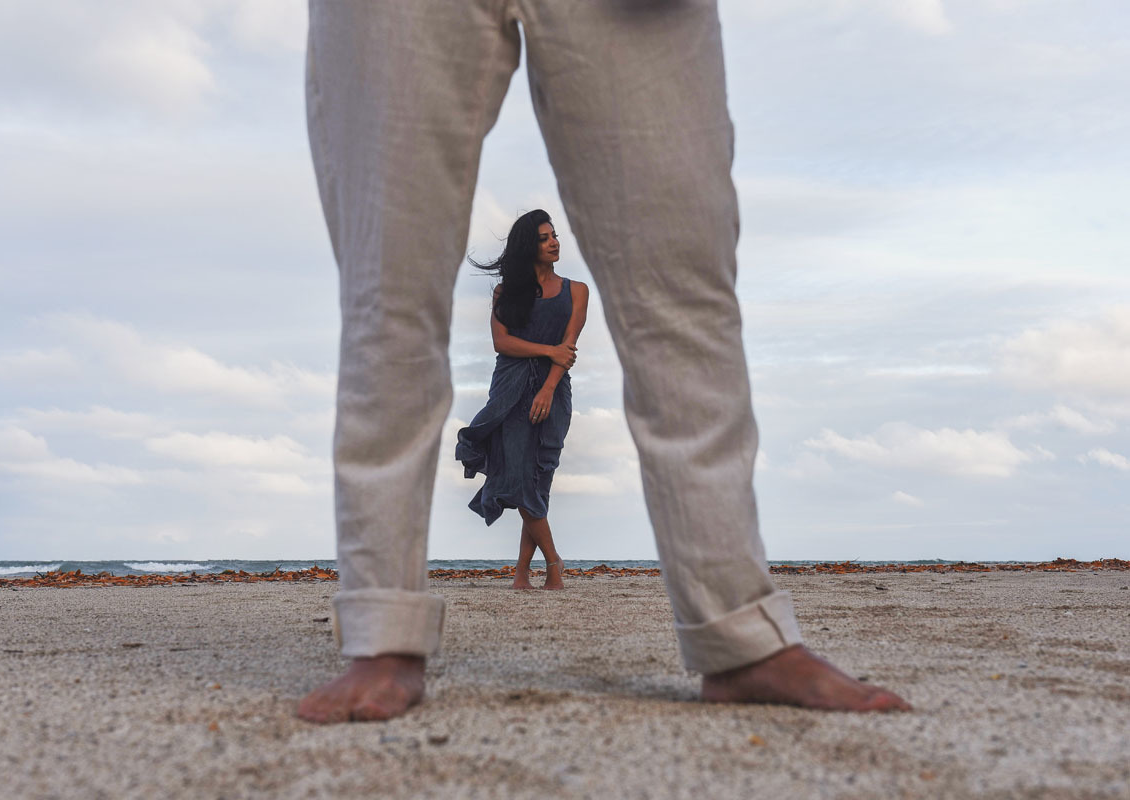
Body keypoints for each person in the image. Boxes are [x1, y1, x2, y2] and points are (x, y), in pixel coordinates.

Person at [298, 0, 911, 723]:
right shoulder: (517, 292)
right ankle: (380, 630)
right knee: (388, 290)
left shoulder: (570, 292)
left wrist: (553, 369)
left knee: (682, 284)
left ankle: (740, 633)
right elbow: (482, 330)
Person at [455, 210, 589, 590]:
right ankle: (554, 562)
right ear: (529, 246)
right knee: (516, 476)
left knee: (539, 477)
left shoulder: (577, 290)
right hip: (510, 389)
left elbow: (568, 350)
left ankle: (521, 574)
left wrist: (547, 387)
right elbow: (503, 343)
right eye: (545, 237)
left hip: (554, 389)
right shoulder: (505, 293)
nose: (554, 242)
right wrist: (548, 352)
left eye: (555, 235)